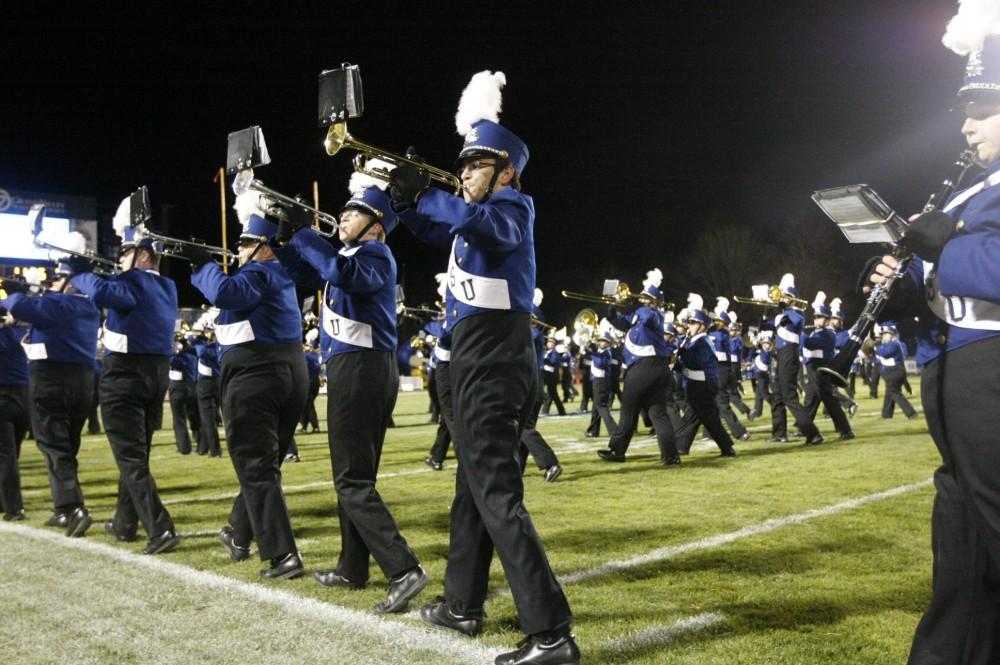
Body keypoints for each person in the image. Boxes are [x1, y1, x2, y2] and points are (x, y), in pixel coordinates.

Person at [390, 70, 579, 664]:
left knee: (495, 492)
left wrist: (427, 195)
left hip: (493, 356)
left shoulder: (512, 208)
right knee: (471, 489)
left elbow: (471, 220)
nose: (464, 173)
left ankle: (552, 634)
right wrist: (403, 201)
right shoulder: (475, 216)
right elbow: (435, 224)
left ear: (505, 170)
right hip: (476, 355)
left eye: (475, 166)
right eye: (463, 166)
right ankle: (461, 605)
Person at [866, 11, 1000, 661]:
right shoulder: (974, 187)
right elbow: (945, 277)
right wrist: (899, 279)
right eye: (965, 107)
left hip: (992, 367)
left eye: (983, 107)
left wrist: (942, 247)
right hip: (956, 367)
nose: (967, 122)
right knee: (962, 554)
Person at [274, 168, 428, 611]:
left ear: (376, 226)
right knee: (354, 474)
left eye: (354, 212)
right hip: (357, 368)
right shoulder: (349, 253)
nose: (342, 217)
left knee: (352, 480)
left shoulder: (374, 255)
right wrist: (290, 235)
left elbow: (338, 271)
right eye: (343, 211)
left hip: (362, 370)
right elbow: (292, 271)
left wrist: (307, 233)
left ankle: (403, 568)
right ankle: (352, 566)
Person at [188, 194, 308, 580]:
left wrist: (200, 265)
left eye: (244, 243)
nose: (237, 249)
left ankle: (283, 554)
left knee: (255, 466)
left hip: (257, 375)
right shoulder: (284, 275)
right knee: (263, 464)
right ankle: (239, 533)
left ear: (264, 247)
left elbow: (226, 292)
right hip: (288, 371)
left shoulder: (259, 273)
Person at [69, 200, 179, 555]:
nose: (120, 258)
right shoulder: (167, 287)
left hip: (125, 378)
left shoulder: (132, 283)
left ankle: (160, 528)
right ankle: (124, 521)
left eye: (128, 251)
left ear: (144, 256)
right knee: (136, 457)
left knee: (130, 460)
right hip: (153, 376)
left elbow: (101, 291)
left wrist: (78, 269)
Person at [3, 254, 100, 535]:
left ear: (70, 281)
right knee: (67, 447)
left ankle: (73, 507)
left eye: (58, 277)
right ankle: (62, 508)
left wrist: (16, 293)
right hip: (81, 381)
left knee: (54, 447)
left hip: (51, 379)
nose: (53, 283)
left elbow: (20, 304)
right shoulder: (89, 307)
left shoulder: (58, 303)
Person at [596, 269, 682, 466]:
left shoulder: (655, 315)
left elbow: (648, 318)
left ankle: (617, 450)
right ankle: (670, 455)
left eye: (645, 298)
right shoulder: (639, 315)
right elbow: (621, 323)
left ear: (654, 301)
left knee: (628, 408)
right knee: (657, 412)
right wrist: (612, 306)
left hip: (646, 367)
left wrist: (644, 305)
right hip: (656, 368)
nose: (641, 300)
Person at [763, 274, 823, 446]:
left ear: (793, 299)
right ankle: (779, 433)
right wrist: (768, 309)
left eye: (784, 295)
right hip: (780, 355)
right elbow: (764, 326)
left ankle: (813, 433)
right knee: (777, 395)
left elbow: (797, 322)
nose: (780, 298)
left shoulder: (797, 313)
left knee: (789, 397)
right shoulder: (781, 315)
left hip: (789, 355)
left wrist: (784, 307)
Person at [673, 301, 738, 457]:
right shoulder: (693, 341)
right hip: (696, 383)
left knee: (709, 418)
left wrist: (679, 358)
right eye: (689, 322)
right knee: (694, 416)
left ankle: (726, 447)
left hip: (702, 385)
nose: (689, 326)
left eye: (693, 323)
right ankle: (680, 446)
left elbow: (694, 362)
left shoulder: (702, 342)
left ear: (702, 326)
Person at [801, 293, 854, 440]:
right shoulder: (816, 332)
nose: (817, 320)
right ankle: (805, 427)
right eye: (816, 317)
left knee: (829, 401)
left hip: (820, 367)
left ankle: (845, 430)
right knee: (812, 398)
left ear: (828, 320)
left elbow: (809, 344)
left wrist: (799, 332)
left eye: (821, 317)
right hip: (813, 366)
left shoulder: (828, 333)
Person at [0, 306, 29, 522]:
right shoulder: (16, 334)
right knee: (11, 454)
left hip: (3, 396)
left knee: (5, 456)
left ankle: (13, 507)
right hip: (24, 397)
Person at [873, 323, 917, 420]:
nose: (883, 336)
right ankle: (886, 415)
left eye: (886, 333)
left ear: (891, 334)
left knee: (895, 393)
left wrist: (876, 346)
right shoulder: (890, 344)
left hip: (894, 371)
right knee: (890, 393)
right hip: (894, 371)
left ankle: (911, 413)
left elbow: (885, 353)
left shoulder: (894, 344)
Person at [168, 334, 200, 455]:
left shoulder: (178, 358)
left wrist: (173, 348)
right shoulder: (193, 356)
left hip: (179, 389)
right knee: (195, 418)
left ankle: (184, 447)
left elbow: (170, 359)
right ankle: (201, 444)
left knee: (179, 419)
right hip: (192, 388)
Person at [584, 331, 618, 438]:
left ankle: (615, 430)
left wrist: (592, 351)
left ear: (609, 343)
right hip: (597, 380)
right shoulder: (600, 352)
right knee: (596, 407)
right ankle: (593, 431)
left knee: (601, 406)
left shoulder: (607, 353)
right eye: (600, 341)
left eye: (604, 341)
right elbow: (588, 361)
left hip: (601, 381)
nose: (601, 342)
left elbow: (599, 363)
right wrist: (586, 349)